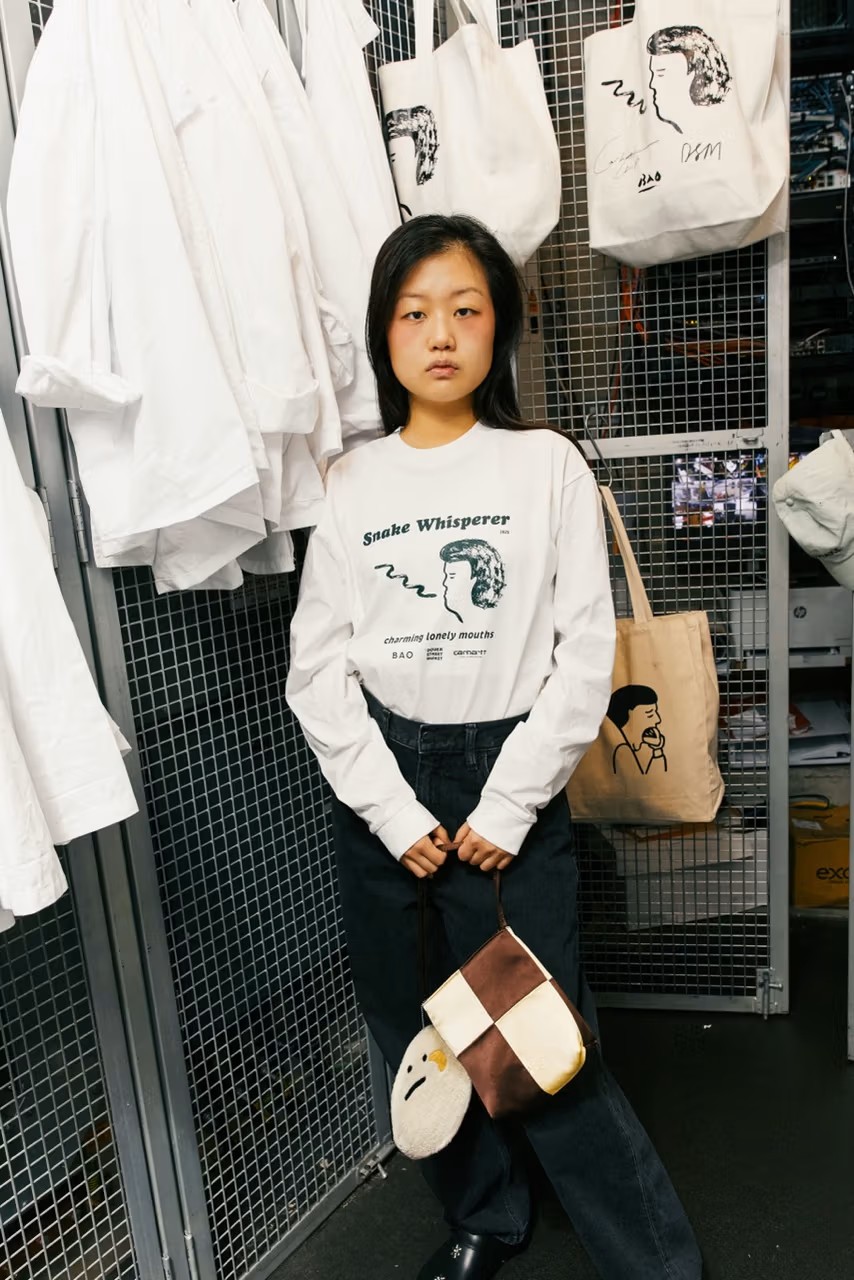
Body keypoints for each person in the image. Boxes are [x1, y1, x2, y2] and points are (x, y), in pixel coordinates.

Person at [286, 214, 703, 1280]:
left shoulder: (543, 464)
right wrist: (391, 808)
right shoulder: (346, 482)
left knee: (533, 1035)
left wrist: (507, 801)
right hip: (386, 777)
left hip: (503, 769)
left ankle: (653, 1262)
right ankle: (486, 1213)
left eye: (464, 309)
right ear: (383, 334)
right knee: (409, 1020)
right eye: (413, 312)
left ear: (499, 326)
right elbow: (317, 669)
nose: (440, 334)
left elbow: (580, 656)